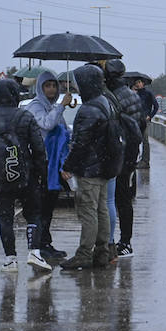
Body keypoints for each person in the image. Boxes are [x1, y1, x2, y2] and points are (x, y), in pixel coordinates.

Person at [0, 75, 50, 272]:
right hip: (27, 175)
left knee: (5, 218)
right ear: (15, 95)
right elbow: (39, 148)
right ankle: (34, 252)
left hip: (1, 178)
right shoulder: (25, 116)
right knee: (33, 214)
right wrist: (41, 174)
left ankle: (10, 258)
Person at [60, 64, 119, 271]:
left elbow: (80, 144)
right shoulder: (105, 102)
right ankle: (102, 253)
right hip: (104, 167)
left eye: (77, 83)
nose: (76, 87)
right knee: (101, 209)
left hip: (89, 169)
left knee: (88, 212)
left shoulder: (89, 109)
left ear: (86, 83)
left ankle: (84, 254)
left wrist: (68, 165)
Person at [24, 70, 74, 263]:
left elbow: (63, 130)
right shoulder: (35, 107)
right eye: (47, 86)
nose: (51, 89)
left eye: (54, 85)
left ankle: (47, 243)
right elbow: (47, 124)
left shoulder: (53, 106)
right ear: (40, 88)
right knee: (42, 207)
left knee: (50, 206)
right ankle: (40, 245)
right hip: (41, 164)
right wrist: (61, 106)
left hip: (54, 165)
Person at [96, 59, 143, 260]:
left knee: (112, 200)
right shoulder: (132, 95)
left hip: (117, 153)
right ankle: (125, 241)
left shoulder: (111, 97)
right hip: (130, 152)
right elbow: (140, 124)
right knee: (123, 199)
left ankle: (117, 242)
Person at [131, 73, 158, 168]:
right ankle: (136, 159)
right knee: (135, 140)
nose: (137, 84)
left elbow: (156, 106)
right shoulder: (134, 93)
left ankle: (146, 161)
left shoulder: (148, 93)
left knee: (145, 140)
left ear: (143, 83)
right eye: (136, 83)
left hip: (145, 121)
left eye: (139, 82)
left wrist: (150, 116)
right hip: (135, 120)